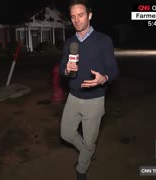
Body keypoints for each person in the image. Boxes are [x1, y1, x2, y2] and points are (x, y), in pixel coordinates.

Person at [59, 0, 119, 180]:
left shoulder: (103, 40)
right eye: (73, 17)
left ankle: (82, 169)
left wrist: (104, 78)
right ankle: (88, 151)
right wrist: (67, 70)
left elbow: (114, 69)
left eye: (81, 15)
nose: (76, 20)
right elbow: (62, 67)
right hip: (73, 97)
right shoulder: (70, 42)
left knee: (89, 140)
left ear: (90, 15)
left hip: (94, 100)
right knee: (66, 133)